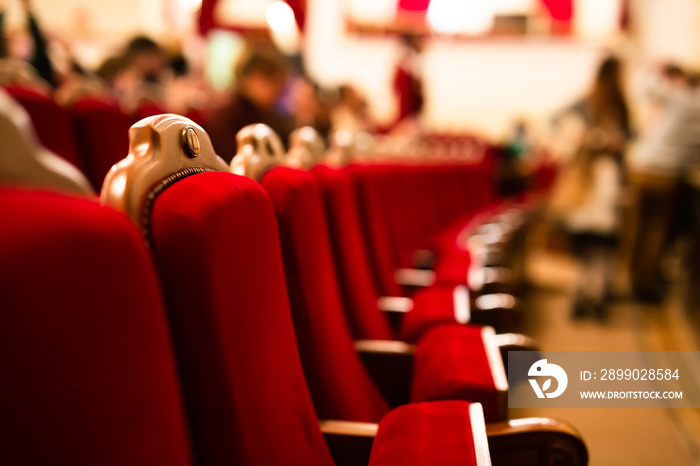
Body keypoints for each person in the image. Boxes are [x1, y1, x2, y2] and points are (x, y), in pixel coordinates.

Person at [550, 56, 629, 319]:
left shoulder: (619, 103)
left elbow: (630, 138)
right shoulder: (589, 101)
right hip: (588, 177)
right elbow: (556, 118)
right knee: (587, 239)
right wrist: (580, 135)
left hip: (608, 178)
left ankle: (596, 293)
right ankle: (584, 293)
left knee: (604, 241)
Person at [627, 65, 700, 302]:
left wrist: (657, 70)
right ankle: (646, 282)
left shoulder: (680, 97)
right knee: (657, 230)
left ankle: (635, 278)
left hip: (644, 166)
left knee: (640, 227)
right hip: (667, 173)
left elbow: (642, 84)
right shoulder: (693, 103)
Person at [204, 48, 291, 163]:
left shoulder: (269, 115)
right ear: (254, 78)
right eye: (275, 82)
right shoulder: (227, 116)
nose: (278, 91)